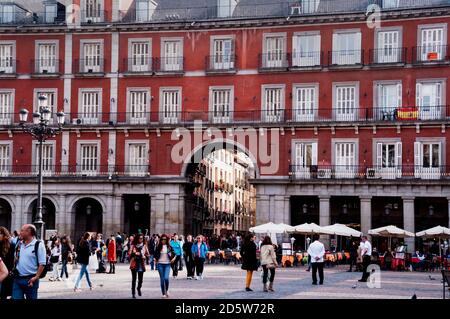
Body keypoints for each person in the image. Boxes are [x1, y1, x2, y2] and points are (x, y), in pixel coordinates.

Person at [11, 224, 47, 299]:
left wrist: (36, 277)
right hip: (17, 279)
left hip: (31, 280)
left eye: (22, 230)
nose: (20, 232)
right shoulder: (19, 243)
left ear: (29, 232)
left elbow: (42, 263)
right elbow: (15, 258)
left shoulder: (38, 245)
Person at [129, 233, 149, 298]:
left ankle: (138, 288)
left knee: (140, 280)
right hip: (134, 263)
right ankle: (133, 293)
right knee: (134, 279)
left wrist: (145, 256)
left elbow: (147, 254)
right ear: (137, 238)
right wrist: (134, 253)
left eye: (142, 238)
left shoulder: (144, 246)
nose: (141, 239)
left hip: (141, 263)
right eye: (140, 238)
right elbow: (129, 254)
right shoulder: (133, 246)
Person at [0, 227, 15, 299]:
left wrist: (7, 272)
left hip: (6, 273)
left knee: (4, 294)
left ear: (4, 234)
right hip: (1, 271)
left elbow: (12, 261)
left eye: (0, 234)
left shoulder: (11, 245)